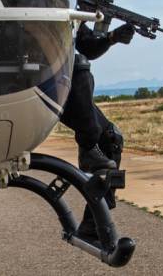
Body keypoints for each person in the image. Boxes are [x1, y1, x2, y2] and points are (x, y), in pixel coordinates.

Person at [60, 20, 135, 242]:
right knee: (78, 64)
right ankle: (88, 146)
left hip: (57, 84)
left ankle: (92, 224)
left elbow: (87, 47)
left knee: (111, 138)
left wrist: (111, 38)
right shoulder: (32, 3)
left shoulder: (67, 12)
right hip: (28, 79)